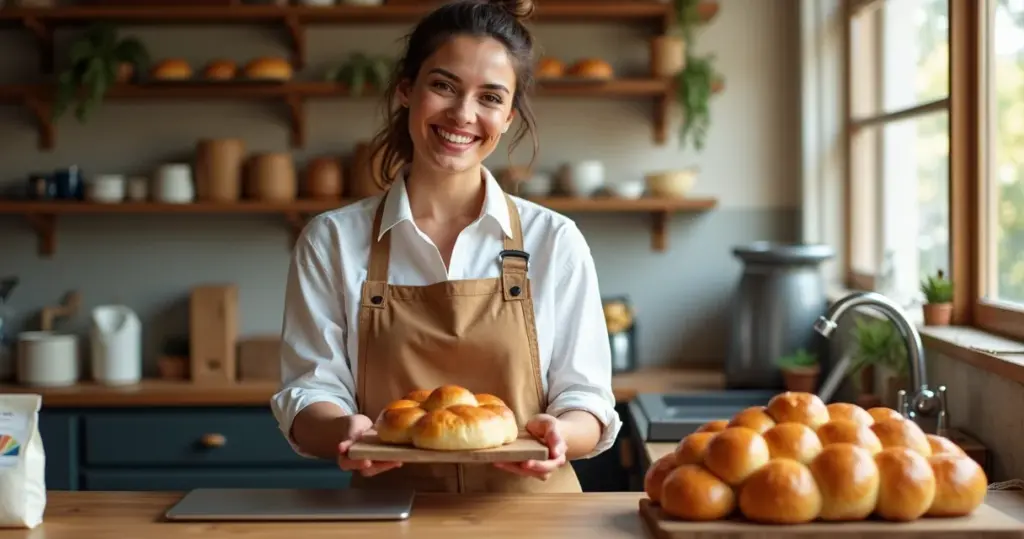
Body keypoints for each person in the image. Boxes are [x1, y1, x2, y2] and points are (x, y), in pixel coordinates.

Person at [270, 0, 621, 494]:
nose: (463, 114)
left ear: (508, 116)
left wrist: (562, 435)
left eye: (490, 97)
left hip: (535, 515)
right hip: (389, 515)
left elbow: (586, 397)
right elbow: (310, 391)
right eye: (443, 86)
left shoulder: (554, 240)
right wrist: (342, 431)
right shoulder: (332, 240)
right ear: (406, 89)